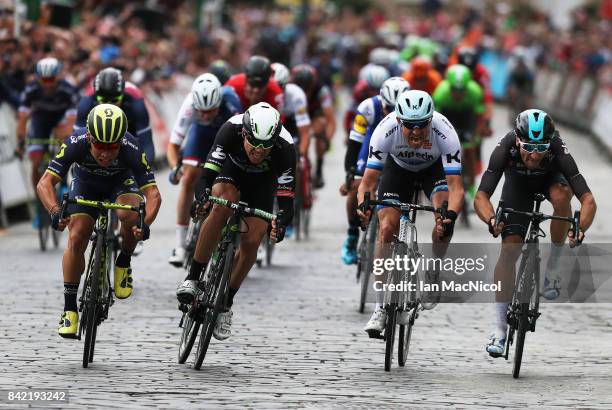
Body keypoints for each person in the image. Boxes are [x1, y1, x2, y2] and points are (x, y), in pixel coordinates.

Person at [474, 109, 596, 357]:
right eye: (528, 146)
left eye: (541, 148)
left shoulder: (558, 150)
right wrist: (491, 219)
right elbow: (481, 195)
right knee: (509, 251)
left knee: (564, 198)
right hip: (517, 186)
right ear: (518, 139)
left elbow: (588, 199)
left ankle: (553, 267)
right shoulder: (505, 148)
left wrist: (579, 228)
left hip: (551, 180)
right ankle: (498, 329)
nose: (534, 154)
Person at [36, 104, 162, 338]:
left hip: (121, 184)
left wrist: (145, 224)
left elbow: (153, 194)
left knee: (130, 214)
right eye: (99, 146)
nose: (105, 153)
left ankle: (123, 261)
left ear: (121, 142)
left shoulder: (131, 146)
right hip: (86, 184)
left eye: (112, 147)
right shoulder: (76, 142)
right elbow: (45, 182)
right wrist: (55, 211)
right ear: (90, 138)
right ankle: (70, 308)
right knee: (77, 234)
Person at [176, 103, 296, 340]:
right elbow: (208, 173)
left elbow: (286, 197)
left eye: (266, 145)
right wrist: (202, 196)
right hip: (232, 172)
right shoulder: (230, 129)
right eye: (255, 143)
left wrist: (281, 223)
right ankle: (193, 277)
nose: (260, 150)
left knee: (253, 240)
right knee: (220, 207)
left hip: (263, 184)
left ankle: (226, 303)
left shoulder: (285, 147)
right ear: (244, 133)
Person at [357, 90, 464, 336]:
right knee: (386, 229)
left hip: (433, 171)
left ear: (431, 119)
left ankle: (434, 271)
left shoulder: (444, 132)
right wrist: (363, 206)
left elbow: (457, 188)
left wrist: (451, 218)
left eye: (421, 125)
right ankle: (381, 306)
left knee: (444, 218)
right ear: (398, 121)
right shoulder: (385, 131)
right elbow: (368, 182)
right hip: (398, 171)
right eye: (409, 126)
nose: (416, 132)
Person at [166, 73, 242, 266]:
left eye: (211, 110)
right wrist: (176, 167)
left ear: (219, 102)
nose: (206, 115)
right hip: (200, 137)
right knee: (189, 177)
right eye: (202, 111)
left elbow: (240, 147)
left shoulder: (231, 104)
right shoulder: (189, 105)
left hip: (225, 136)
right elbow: (173, 145)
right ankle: (180, 244)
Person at [340, 77, 410, 265]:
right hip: (372, 141)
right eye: (388, 108)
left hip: (398, 145)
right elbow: (355, 143)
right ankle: (352, 235)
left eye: (396, 111)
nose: (391, 115)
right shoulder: (368, 108)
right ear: (381, 101)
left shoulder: (411, 114)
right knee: (357, 186)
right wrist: (351, 172)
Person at [15, 57, 78, 201]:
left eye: (51, 79)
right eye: (44, 80)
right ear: (38, 78)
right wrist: (20, 142)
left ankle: (66, 181)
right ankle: (39, 198)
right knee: (36, 163)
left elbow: (71, 123)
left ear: (58, 76)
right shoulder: (31, 89)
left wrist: (66, 139)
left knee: (66, 142)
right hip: (40, 121)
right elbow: (23, 117)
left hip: (61, 120)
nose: (48, 84)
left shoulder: (68, 90)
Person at [75, 67, 155, 164]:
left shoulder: (135, 100)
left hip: (129, 130)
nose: (109, 105)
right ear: (97, 97)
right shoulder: (87, 101)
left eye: (114, 100)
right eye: (104, 101)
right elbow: (76, 143)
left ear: (123, 94)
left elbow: (146, 143)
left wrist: (144, 170)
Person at [433, 64, 485, 201]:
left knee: (470, 148)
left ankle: (473, 188)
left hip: (467, 116)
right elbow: (435, 119)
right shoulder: (441, 92)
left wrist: (476, 136)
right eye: (454, 89)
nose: (458, 93)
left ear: (467, 86)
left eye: (462, 90)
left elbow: (479, 117)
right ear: (448, 85)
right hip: (447, 115)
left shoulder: (475, 91)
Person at [291, 64, 337, 189]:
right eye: (301, 89)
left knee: (321, 125)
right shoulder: (289, 90)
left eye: (308, 89)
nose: (304, 94)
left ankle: (319, 170)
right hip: (296, 116)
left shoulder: (322, 91)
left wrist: (326, 139)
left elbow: (330, 120)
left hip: (313, 116)